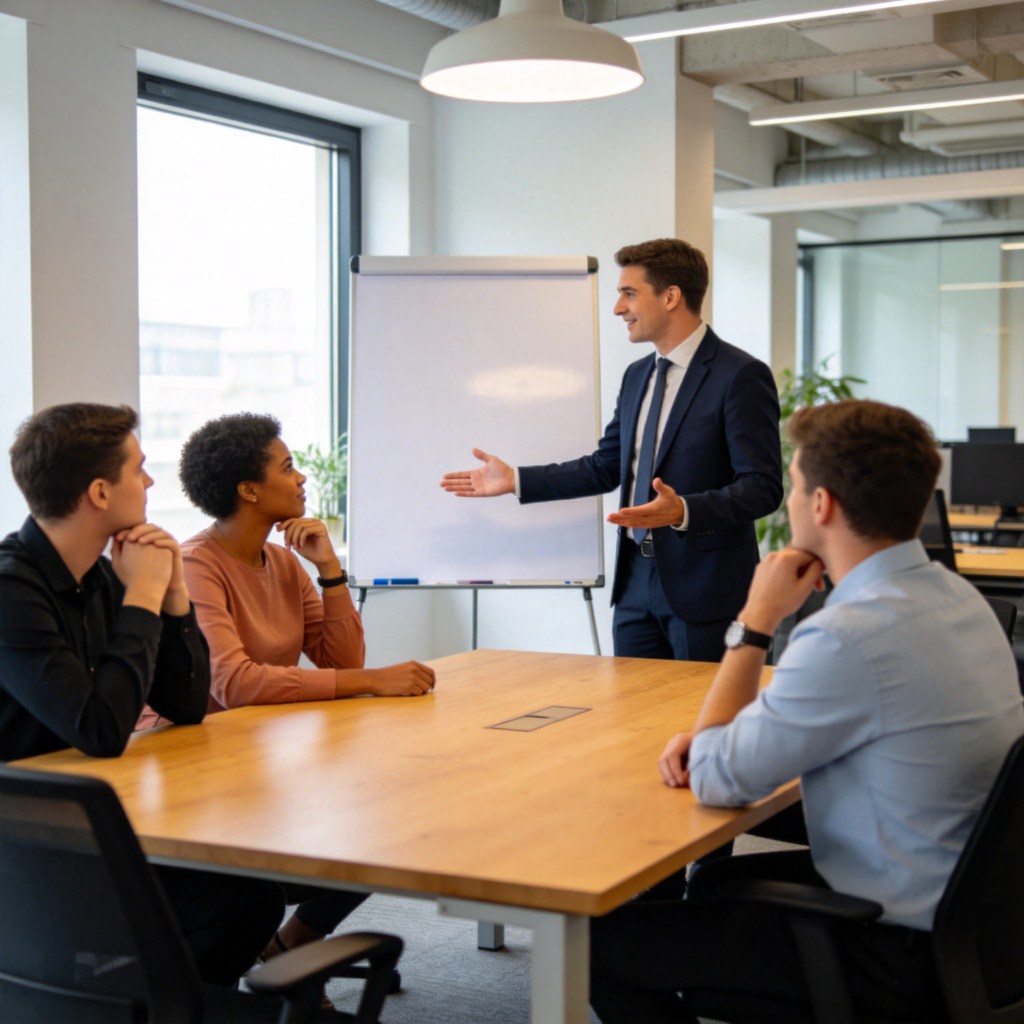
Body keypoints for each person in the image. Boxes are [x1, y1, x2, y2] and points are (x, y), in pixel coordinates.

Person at [589, 398, 1024, 1023]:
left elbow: (713, 779)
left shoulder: (851, 634)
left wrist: (755, 620)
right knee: (713, 886)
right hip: (980, 926)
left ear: (821, 505)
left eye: (792, 486)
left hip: (892, 952)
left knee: (599, 942)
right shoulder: (960, 599)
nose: (789, 501)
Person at [0, 402, 284, 988]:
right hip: (27, 851)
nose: (151, 483)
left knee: (248, 899)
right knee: (235, 904)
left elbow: (185, 705)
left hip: (88, 821)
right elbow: (101, 729)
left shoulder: (102, 577)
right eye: (139, 469)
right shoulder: (11, 590)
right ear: (100, 493)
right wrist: (143, 598)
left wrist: (173, 595)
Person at [163, 412, 435, 991]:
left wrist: (331, 571)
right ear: (249, 489)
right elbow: (233, 683)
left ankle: (290, 947)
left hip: (260, 758)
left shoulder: (284, 562)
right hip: (194, 769)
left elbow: (342, 662)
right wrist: (371, 683)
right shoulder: (196, 566)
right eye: (287, 467)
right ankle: (257, 963)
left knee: (378, 826)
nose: (302, 477)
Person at [441, 238, 782, 663]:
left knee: (704, 725)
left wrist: (684, 511)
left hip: (706, 592)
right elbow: (605, 466)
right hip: (634, 586)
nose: (618, 308)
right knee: (634, 722)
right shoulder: (637, 376)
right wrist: (517, 480)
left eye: (629, 293)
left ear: (671, 296)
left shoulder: (740, 375)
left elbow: (763, 486)